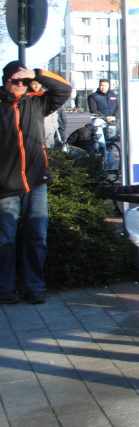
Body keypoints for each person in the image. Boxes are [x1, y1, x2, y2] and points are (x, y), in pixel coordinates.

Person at [1, 62, 73, 304]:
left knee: (37, 238)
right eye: (15, 80)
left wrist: (37, 74)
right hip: (5, 186)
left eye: (24, 80)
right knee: (5, 240)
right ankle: (5, 288)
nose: (20, 84)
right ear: (5, 80)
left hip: (36, 181)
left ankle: (34, 287)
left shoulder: (36, 101)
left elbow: (64, 90)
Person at [31, 79, 65, 148]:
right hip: (33, 132)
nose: (37, 86)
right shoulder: (27, 97)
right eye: (34, 84)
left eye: (39, 83)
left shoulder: (47, 96)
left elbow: (54, 114)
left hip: (48, 130)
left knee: (49, 150)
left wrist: (54, 128)